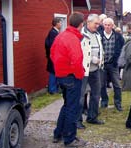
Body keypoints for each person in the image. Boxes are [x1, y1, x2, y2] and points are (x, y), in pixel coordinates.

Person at [50, 12, 87, 147]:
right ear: (81, 24)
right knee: (72, 108)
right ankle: (69, 139)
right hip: (71, 77)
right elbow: (77, 60)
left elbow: (52, 54)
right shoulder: (72, 38)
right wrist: (79, 75)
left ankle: (58, 133)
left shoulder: (61, 35)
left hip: (61, 76)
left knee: (66, 106)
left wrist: (60, 69)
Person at [78, 14, 105, 129]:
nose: (98, 26)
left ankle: (92, 117)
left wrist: (100, 59)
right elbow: (79, 52)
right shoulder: (81, 35)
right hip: (83, 70)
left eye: (99, 23)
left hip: (95, 70)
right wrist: (91, 59)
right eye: (96, 23)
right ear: (88, 22)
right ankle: (77, 120)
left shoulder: (98, 35)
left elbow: (100, 49)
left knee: (96, 93)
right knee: (80, 95)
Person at [99, 18, 125, 111]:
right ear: (103, 25)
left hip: (113, 64)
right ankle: (104, 101)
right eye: (105, 24)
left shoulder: (118, 36)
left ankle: (118, 103)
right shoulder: (99, 35)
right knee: (102, 84)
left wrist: (119, 60)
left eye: (109, 25)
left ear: (112, 26)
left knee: (117, 85)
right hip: (102, 64)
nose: (107, 26)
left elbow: (123, 48)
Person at [45, 17, 61, 94]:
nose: (61, 24)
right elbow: (52, 46)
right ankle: (52, 89)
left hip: (54, 57)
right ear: (57, 23)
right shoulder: (53, 33)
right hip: (53, 58)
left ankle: (55, 88)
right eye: (60, 22)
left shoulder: (55, 32)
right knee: (53, 73)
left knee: (55, 72)